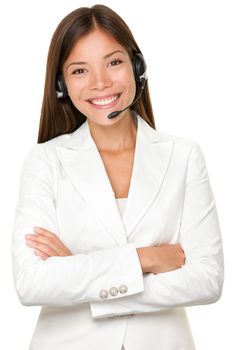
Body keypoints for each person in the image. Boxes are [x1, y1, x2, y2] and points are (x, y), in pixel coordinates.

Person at [11, 4, 224, 350]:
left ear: (136, 67)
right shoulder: (45, 161)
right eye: (80, 70)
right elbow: (32, 283)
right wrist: (147, 259)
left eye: (113, 62)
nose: (100, 83)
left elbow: (206, 280)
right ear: (62, 84)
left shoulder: (183, 156)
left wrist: (81, 274)